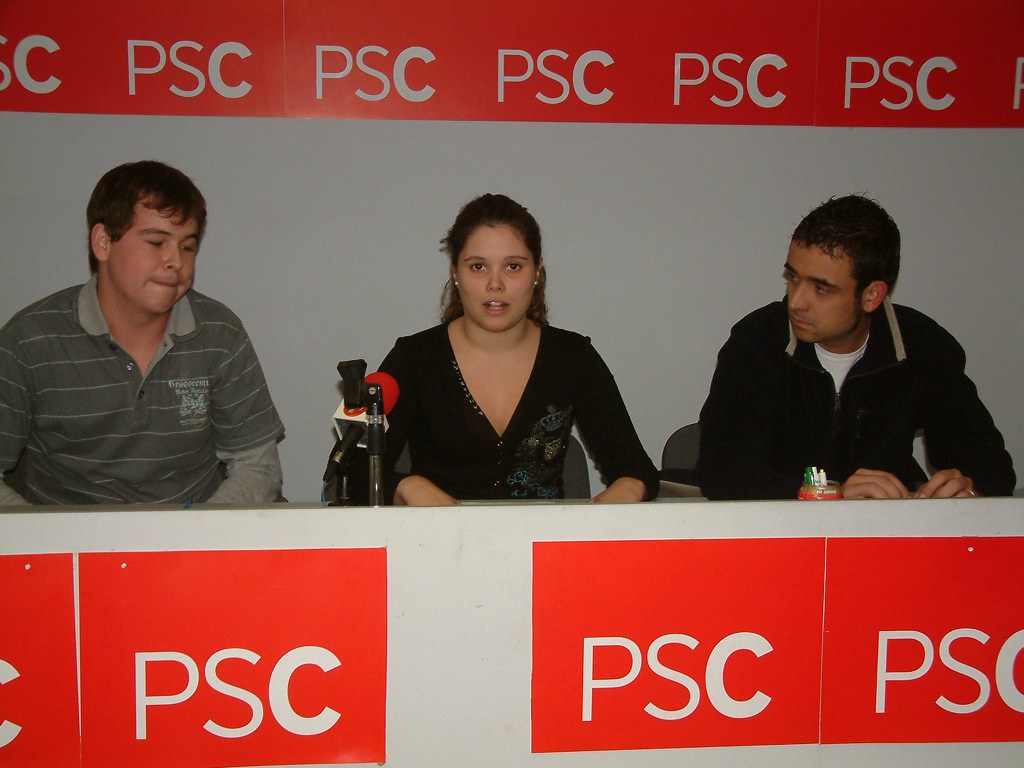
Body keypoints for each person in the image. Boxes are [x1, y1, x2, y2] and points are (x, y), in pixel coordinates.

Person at [328, 193, 658, 505]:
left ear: (537, 271)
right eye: (478, 266)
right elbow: (351, 474)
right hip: (440, 540)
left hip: (542, 540)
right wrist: (408, 487)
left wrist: (627, 489)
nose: (495, 284)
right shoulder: (415, 357)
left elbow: (636, 469)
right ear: (455, 272)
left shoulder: (573, 356)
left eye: (513, 266)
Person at [0, 160, 284, 505]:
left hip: (193, 529)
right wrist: (43, 536)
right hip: (68, 534)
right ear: (103, 242)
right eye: (156, 242)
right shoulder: (28, 341)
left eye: (187, 246)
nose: (175, 261)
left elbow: (257, 467)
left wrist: (202, 532)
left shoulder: (219, 334)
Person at [698, 194, 1015, 501]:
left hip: (887, 530)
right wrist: (828, 496)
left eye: (821, 289)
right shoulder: (756, 341)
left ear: (872, 296)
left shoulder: (924, 347)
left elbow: (990, 467)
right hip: (778, 530)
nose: (796, 302)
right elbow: (721, 469)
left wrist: (967, 491)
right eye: (793, 278)